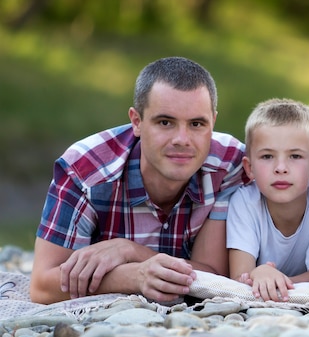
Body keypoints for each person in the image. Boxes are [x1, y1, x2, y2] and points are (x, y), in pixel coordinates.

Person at [30, 56, 248, 304]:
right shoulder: (86, 170)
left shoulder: (230, 164)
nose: (182, 139)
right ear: (137, 122)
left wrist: (130, 252)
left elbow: (219, 276)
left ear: (213, 123)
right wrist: (134, 277)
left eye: (197, 123)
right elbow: (43, 286)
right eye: (165, 122)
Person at [227, 98, 309, 302]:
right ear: (249, 167)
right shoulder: (243, 201)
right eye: (267, 156)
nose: (280, 168)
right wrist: (258, 274)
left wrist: (269, 280)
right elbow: (239, 278)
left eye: (295, 156)